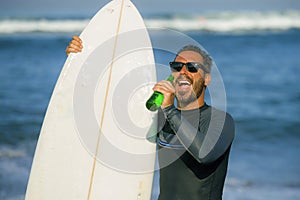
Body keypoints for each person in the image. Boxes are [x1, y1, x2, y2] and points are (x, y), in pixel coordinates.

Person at [66, 36, 235, 200]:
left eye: (192, 67)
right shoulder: (160, 118)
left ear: (206, 79)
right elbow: (104, 109)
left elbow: (205, 154)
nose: (183, 71)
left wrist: (169, 109)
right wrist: (80, 60)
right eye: (177, 66)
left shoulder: (220, 120)